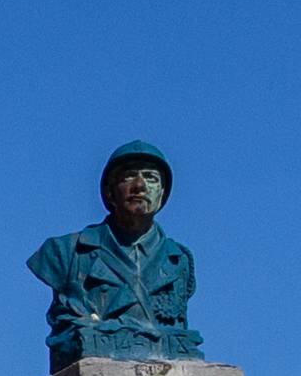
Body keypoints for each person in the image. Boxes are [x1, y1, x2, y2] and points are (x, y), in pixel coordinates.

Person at [29, 141, 201, 364]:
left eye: (151, 178)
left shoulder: (178, 260)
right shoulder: (66, 251)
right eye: (128, 177)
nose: (140, 186)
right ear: (110, 192)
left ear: (162, 194)